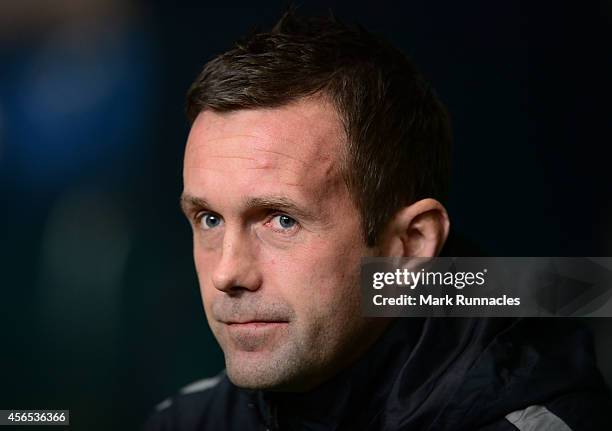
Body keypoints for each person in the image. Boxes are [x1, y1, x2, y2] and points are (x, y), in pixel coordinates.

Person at [145, 10, 611, 431]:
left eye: (281, 221)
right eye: (209, 219)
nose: (227, 273)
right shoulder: (186, 420)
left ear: (409, 246)